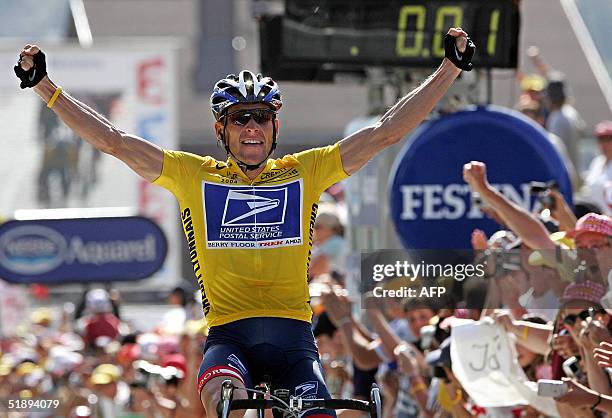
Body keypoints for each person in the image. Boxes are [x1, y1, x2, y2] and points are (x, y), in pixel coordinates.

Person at [14, 28, 475, 417]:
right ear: (221, 129)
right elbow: (114, 141)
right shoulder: (194, 175)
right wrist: (45, 87)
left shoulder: (306, 171)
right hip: (229, 336)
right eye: (240, 119)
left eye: (261, 117)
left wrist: (449, 69)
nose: (251, 127)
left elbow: (386, 132)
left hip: (295, 338)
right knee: (225, 401)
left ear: (275, 127)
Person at [580, 120, 612, 215]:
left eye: (609, 139)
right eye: (601, 140)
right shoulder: (597, 162)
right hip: (596, 218)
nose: (604, 144)